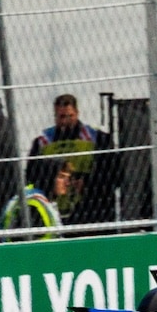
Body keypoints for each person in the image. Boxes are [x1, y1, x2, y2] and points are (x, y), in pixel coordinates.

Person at [26, 93, 120, 225]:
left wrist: (86, 184)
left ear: (77, 113)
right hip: (54, 208)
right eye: (61, 117)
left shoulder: (98, 138)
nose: (65, 122)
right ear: (55, 116)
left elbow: (113, 172)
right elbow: (31, 176)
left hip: (92, 207)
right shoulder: (42, 142)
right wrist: (52, 185)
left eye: (70, 116)